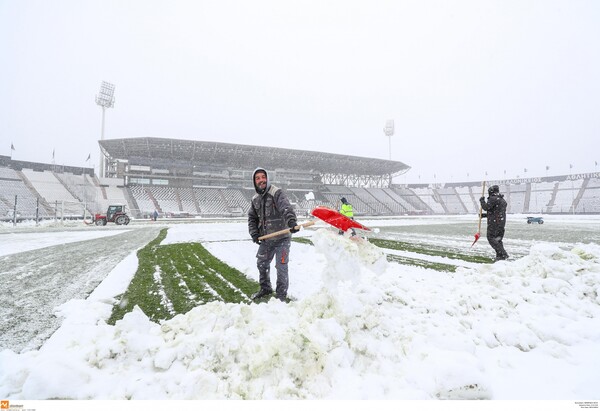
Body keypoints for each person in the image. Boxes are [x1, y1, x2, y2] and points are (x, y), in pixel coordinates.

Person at [248, 167, 298, 302]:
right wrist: (254, 233)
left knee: (281, 266)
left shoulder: (276, 192)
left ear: (267, 178)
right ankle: (265, 288)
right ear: (254, 182)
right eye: (257, 178)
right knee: (261, 263)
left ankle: (281, 295)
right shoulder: (255, 199)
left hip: (282, 238)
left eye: (263, 177)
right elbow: (252, 218)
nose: (261, 180)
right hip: (267, 239)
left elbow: (285, 207)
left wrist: (291, 221)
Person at [480, 185, 509, 261]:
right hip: (501, 223)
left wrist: (482, 201)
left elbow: (486, 208)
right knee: (497, 240)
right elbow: (495, 212)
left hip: (494, 223)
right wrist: (484, 215)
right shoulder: (502, 200)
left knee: (491, 238)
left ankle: (503, 254)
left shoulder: (493, 199)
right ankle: (500, 256)